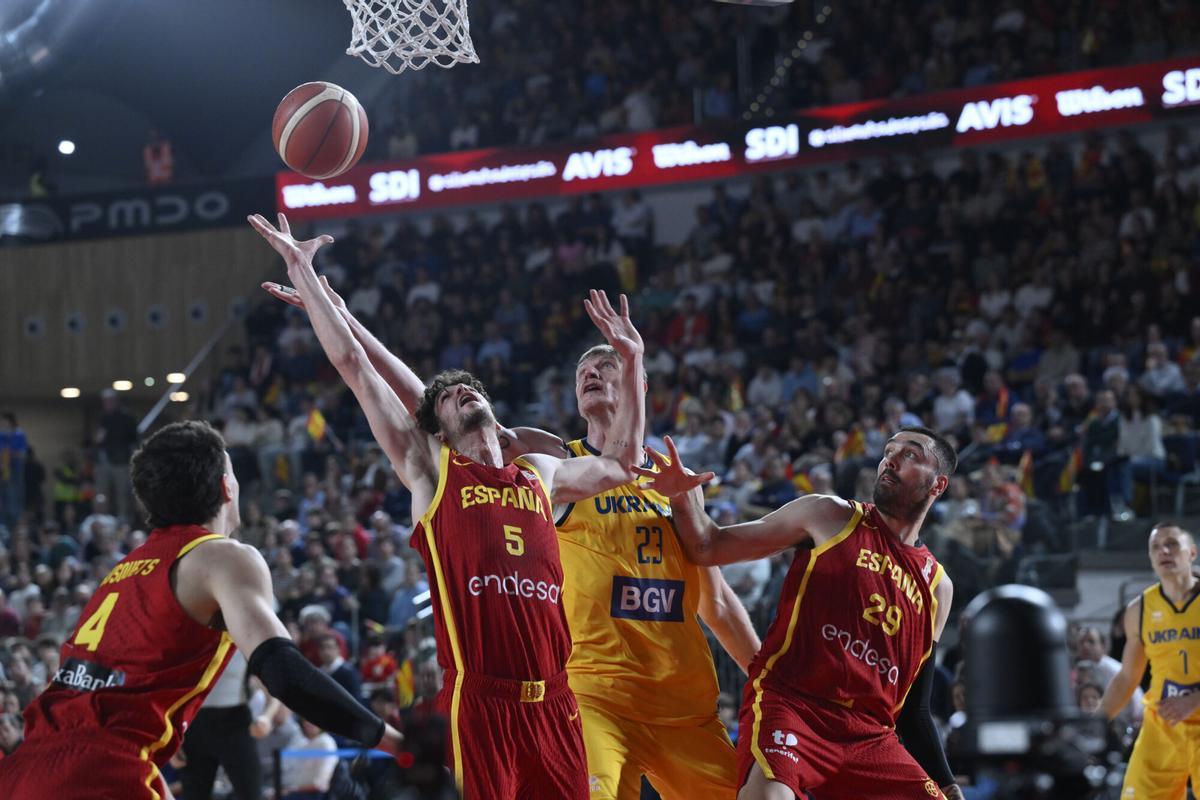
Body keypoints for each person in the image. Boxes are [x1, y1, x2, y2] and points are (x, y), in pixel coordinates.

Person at [264, 244, 761, 800]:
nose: (460, 391)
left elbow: (629, 471)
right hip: (518, 698)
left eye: (469, 388)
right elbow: (373, 379)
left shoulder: (550, 475)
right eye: (584, 370)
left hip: (576, 701)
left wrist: (635, 353)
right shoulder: (452, 472)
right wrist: (318, 292)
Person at [0, 420, 402, 798]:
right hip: (104, 769)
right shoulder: (223, 557)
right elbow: (283, 672)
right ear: (227, 487)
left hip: (23, 770)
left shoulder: (124, 570)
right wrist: (389, 738)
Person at [636, 427, 962, 800]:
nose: (891, 459)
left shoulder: (937, 586)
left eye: (911, 454)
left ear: (937, 485)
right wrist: (682, 499)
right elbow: (710, 546)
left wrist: (949, 785)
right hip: (793, 706)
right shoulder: (829, 515)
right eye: (889, 451)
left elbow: (914, 710)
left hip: (869, 735)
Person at [1100, 522, 1200, 798]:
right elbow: (1128, 676)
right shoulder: (1139, 609)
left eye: (1171, 544)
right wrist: (1097, 720)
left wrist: (1193, 700)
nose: (1163, 551)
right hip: (1163, 725)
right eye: (1156, 547)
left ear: (1192, 552)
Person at [180, 650, 266, 800]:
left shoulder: (244, 636)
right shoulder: (187, 635)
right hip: (193, 725)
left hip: (235, 722)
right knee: (193, 795)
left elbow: (273, 686)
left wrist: (268, 717)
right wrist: (172, 739)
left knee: (252, 793)